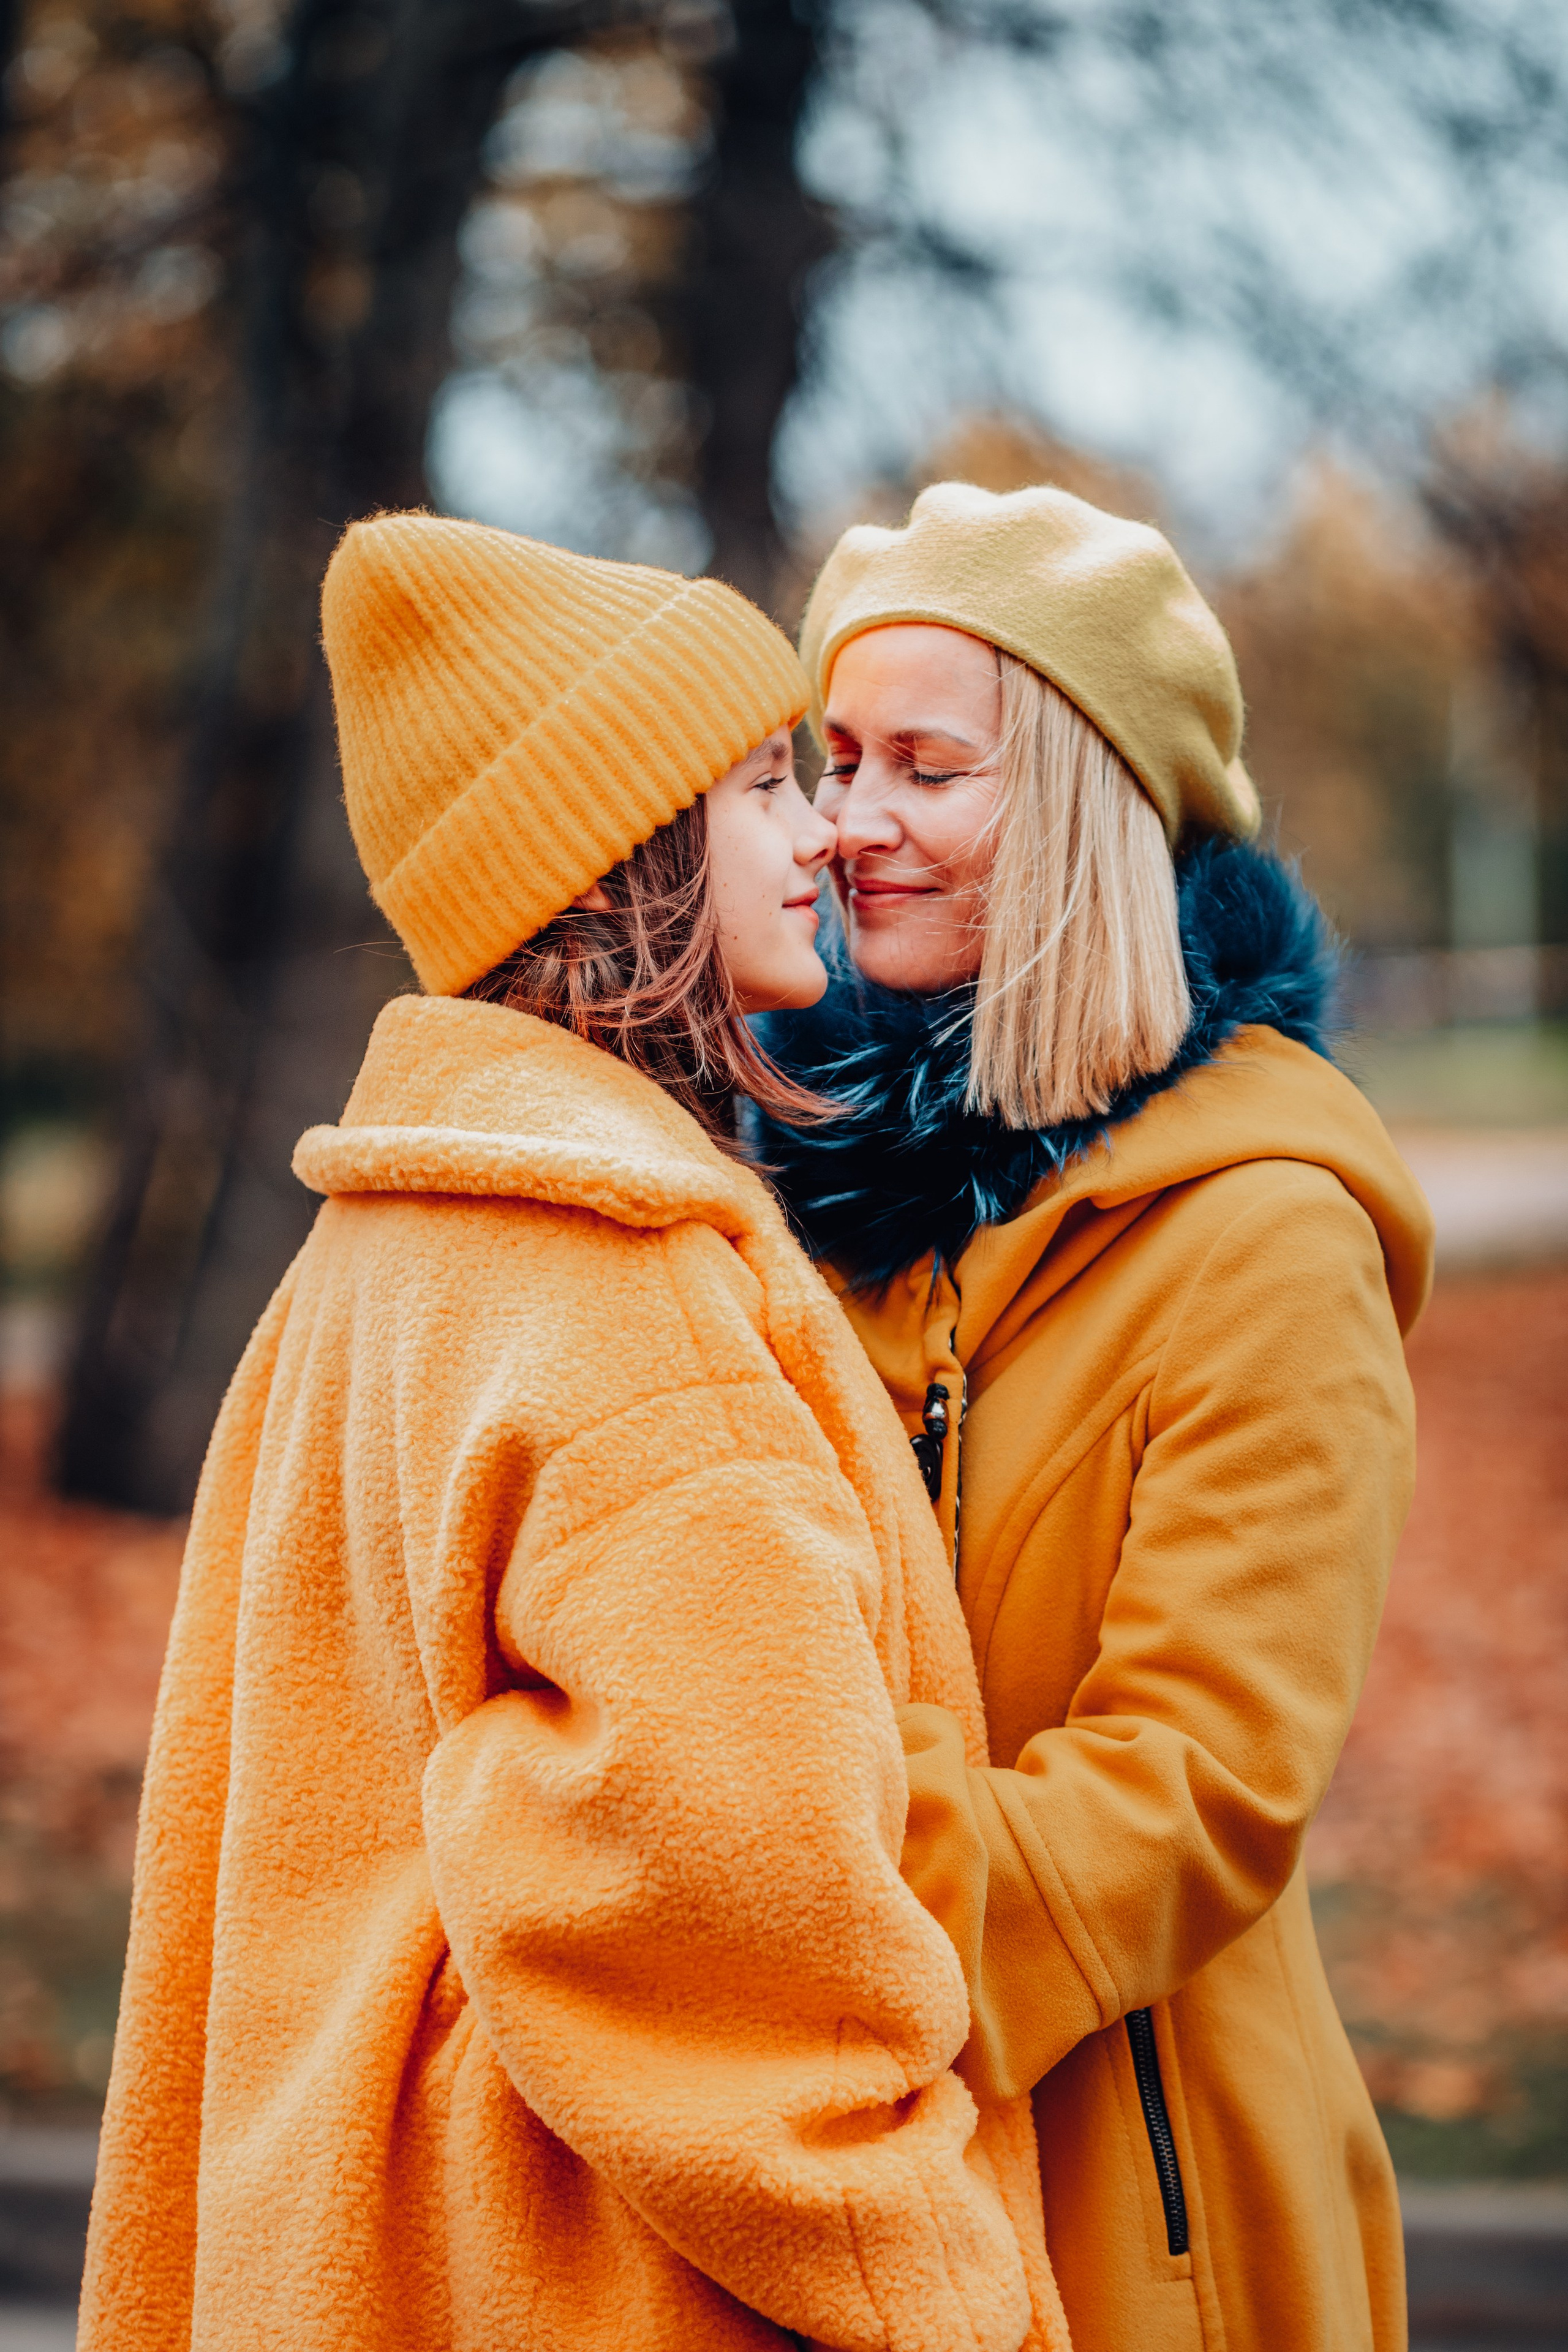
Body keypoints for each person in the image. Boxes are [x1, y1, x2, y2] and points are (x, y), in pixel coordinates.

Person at [78, 514, 1067, 2352]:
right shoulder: (625, 1282)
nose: (821, 835)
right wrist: (924, 2282)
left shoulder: (383, 1244)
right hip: (598, 2278)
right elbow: (725, 1895)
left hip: (354, 2256)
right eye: (763, 787)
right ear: (623, 861)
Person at [756, 481, 1436, 2352]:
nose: (854, 820)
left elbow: (1200, 1788)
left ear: (1077, 804)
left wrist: (791, 1936)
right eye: (837, 760)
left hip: (1143, 2214)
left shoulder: (1267, 1232)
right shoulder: (793, 1198)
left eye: (928, 767)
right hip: (823, 2191)